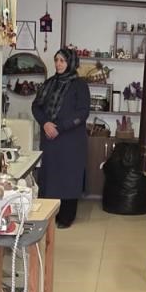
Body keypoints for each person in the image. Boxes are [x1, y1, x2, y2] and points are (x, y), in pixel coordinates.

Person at [34, 47, 91, 228]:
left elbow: (83, 112)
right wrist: (45, 123)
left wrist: (60, 127)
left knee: (68, 177)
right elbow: (36, 106)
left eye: (62, 61)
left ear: (71, 63)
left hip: (70, 140)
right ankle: (50, 214)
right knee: (50, 177)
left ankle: (66, 217)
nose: (58, 64)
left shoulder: (79, 85)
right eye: (56, 60)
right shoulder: (49, 83)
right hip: (50, 139)